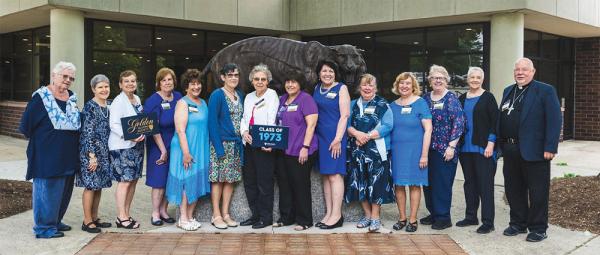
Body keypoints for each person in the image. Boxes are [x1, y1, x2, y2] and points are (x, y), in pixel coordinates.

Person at [498, 58, 562, 242]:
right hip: (510, 149)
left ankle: (538, 228)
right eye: (517, 69)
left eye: (525, 69)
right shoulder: (508, 91)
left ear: (533, 72)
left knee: (537, 191)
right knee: (514, 189)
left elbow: (554, 119)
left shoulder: (545, 90)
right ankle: (518, 223)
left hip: (535, 150)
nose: (520, 72)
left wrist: (550, 147)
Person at [19, 61, 81, 238]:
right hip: (47, 155)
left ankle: (55, 221)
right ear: (54, 76)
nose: (68, 80)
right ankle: (44, 228)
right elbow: (26, 126)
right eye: (64, 76)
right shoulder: (41, 98)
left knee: (63, 191)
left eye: (71, 78)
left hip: (68, 154)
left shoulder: (71, 97)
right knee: (47, 191)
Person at [344, 74, 395, 232]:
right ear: (359, 88)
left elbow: (387, 125)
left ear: (375, 88)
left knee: (376, 184)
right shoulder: (352, 104)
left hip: (376, 152)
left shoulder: (383, 104)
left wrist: (366, 136)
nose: (367, 88)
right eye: (364, 85)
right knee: (360, 183)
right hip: (356, 151)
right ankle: (367, 215)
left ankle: (375, 217)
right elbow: (345, 124)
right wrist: (357, 134)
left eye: (370, 85)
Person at [420, 65, 466, 230]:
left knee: (442, 184)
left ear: (446, 80)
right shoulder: (425, 98)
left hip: (444, 149)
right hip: (427, 148)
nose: (437, 81)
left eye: (441, 78)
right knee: (428, 183)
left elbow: (459, 124)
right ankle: (433, 213)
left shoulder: (451, 99)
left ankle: (444, 217)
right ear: (430, 80)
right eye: (434, 78)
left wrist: (452, 146)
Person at [165, 69, 211, 231]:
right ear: (186, 86)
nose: (196, 87)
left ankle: (190, 216)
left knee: (197, 182)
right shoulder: (183, 103)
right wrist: (186, 153)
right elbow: (180, 129)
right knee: (186, 182)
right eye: (193, 84)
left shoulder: (203, 103)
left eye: (198, 84)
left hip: (201, 148)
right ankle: (183, 218)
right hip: (186, 148)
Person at [273, 70, 319, 231]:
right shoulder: (283, 99)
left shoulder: (306, 99)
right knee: (284, 184)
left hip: (300, 149)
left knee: (300, 185)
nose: (290, 85)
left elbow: (311, 125)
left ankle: (305, 220)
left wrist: (305, 148)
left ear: (300, 84)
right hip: (283, 149)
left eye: (293, 82)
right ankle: (286, 217)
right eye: (287, 82)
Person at [457, 67, 499, 234]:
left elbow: (495, 122)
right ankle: (471, 217)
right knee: (470, 183)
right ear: (467, 79)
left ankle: (488, 222)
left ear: (482, 80)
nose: (475, 80)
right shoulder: (461, 98)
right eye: (472, 77)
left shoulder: (488, 97)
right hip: (465, 149)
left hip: (483, 148)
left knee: (485, 185)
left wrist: (491, 144)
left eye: (478, 77)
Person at [390, 72, 432, 233]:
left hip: (416, 152)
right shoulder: (392, 105)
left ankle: (413, 220)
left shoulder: (420, 103)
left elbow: (428, 130)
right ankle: (402, 218)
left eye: (408, 83)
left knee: (414, 184)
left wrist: (424, 154)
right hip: (397, 152)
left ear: (413, 86)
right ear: (397, 85)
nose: (404, 86)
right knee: (399, 185)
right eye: (401, 83)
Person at [239, 64, 279, 229]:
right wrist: (244, 132)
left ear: (268, 80)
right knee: (250, 181)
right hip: (249, 144)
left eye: (263, 79)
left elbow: (272, 119)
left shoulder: (272, 95)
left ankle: (265, 217)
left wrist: (270, 143)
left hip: (264, 144)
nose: (260, 82)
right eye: (257, 79)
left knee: (264, 183)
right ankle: (255, 215)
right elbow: (244, 118)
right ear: (252, 81)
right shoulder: (248, 97)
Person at [313, 60, 350, 230]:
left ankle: (337, 215)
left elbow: (345, 115)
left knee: (335, 175)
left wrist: (338, 138)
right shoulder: (316, 88)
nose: (327, 74)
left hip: (335, 138)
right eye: (324, 71)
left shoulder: (341, 88)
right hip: (320, 137)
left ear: (335, 73)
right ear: (319, 73)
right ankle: (328, 213)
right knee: (326, 176)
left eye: (331, 71)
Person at [144, 67, 182, 226]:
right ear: (159, 83)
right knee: (159, 180)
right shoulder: (153, 100)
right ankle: (155, 213)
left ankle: (164, 210)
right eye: (164, 80)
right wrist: (163, 150)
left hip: (175, 144)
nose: (167, 82)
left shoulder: (179, 97)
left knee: (170, 178)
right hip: (158, 144)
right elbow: (153, 127)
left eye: (170, 79)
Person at [208, 63, 244, 229]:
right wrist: (219, 149)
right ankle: (216, 215)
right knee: (218, 180)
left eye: (236, 75)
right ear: (223, 77)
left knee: (230, 180)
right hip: (221, 144)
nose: (233, 78)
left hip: (235, 146)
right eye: (230, 75)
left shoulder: (239, 95)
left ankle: (226, 213)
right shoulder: (217, 95)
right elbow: (212, 123)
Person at [108, 70, 145, 229]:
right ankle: (121, 217)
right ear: (120, 84)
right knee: (124, 182)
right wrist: (129, 136)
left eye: (133, 81)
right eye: (127, 81)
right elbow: (114, 125)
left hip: (136, 147)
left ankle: (127, 214)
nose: (130, 83)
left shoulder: (136, 98)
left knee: (133, 181)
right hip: (122, 147)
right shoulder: (118, 101)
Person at [77, 74, 113, 233]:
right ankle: (86, 221)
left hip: (104, 152)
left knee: (99, 186)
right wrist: (92, 157)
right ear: (93, 89)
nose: (104, 90)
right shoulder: (90, 107)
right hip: (91, 153)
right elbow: (86, 133)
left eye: (106, 86)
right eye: (100, 87)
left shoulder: (109, 105)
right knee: (91, 186)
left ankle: (95, 217)